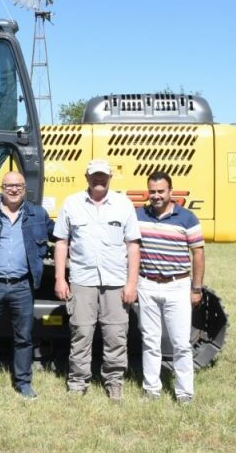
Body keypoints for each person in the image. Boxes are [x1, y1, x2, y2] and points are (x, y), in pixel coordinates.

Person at [53, 158, 141, 401]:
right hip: (82, 280)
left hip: (115, 281)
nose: (99, 180)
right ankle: (78, 382)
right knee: (81, 332)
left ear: (110, 177)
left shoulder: (123, 205)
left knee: (115, 334)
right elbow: (62, 243)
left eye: (103, 176)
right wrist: (60, 278)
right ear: (87, 178)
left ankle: (114, 381)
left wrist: (131, 283)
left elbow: (133, 246)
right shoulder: (72, 204)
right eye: (94, 176)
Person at [0, 171, 52, 401]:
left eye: (18, 186)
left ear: (24, 189)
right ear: (1, 188)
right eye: (8, 186)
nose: (13, 190)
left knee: (24, 337)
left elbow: (60, 235)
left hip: (23, 285)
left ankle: (23, 382)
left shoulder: (37, 214)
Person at [133, 171, 205, 405]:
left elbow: (198, 254)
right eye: (152, 191)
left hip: (177, 285)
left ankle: (185, 392)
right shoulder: (138, 215)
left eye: (161, 191)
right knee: (150, 340)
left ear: (170, 192)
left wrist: (196, 288)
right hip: (147, 283)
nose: (156, 196)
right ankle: (151, 389)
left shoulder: (187, 218)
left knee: (181, 343)